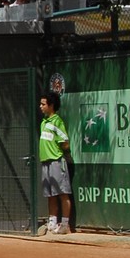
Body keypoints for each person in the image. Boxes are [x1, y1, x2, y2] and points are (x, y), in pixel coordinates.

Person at [40, 92, 73, 236]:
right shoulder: (43, 122)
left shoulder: (57, 122)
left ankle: (65, 224)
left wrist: (60, 154)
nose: (40, 107)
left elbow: (65, 142)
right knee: (50, 195)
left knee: (62, 193)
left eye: (43, 104)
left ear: (51, 105)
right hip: (45, 162)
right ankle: (52, 223)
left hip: (56, 161)